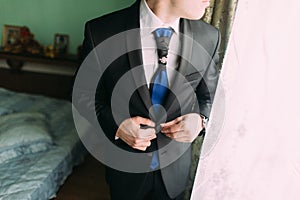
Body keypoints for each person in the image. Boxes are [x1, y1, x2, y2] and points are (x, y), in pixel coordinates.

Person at [75, 0, 220, 199]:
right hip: (124, 171)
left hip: (176, 174)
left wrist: (201, 120)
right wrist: (116, 124)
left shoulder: (209, 37)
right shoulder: (101, 31)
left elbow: (210, 95)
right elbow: (82, 92)